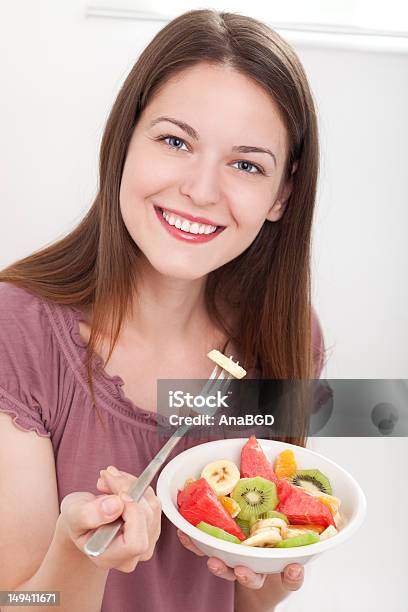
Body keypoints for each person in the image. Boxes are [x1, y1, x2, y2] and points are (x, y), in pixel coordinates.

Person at [0, 8, 326, 612]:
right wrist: (78, 556)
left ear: (282, 194)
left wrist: (273, 567)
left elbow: (250, 601)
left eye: (247, 164)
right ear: (125, 140)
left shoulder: (287, 336)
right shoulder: (14, 330)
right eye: (175, 141)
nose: (201, 190)